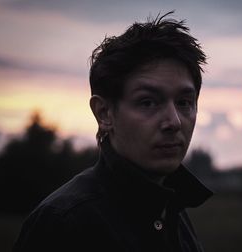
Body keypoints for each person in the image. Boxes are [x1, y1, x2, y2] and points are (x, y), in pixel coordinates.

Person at [13, 11, 212, 252]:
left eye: (184, 102)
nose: (174, 121)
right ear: (104, 113)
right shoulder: (64, 222)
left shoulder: (172, 211)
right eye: (148, 102)